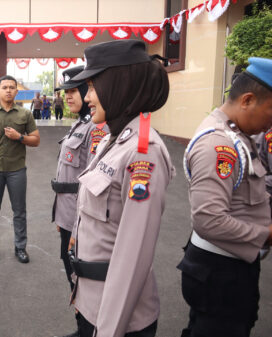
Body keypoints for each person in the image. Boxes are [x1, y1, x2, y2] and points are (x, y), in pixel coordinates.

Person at [69, 40, 174, 337]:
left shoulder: (143, 152)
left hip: (116, 318)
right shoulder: (112, 139)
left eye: (92, 86)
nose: (87, 96)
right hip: (92, 302)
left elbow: (132, 258)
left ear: (118, 84)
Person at [178, 57, 272, 337]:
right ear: (247, 100)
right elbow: (208, 219)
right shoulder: (218, 145)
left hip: (227, 268)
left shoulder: (237, 133)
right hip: (221, 273)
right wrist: (266, 234)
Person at [50, 66, 108, 337]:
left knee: (83, 279)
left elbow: (91, 184)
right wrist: (61, 219)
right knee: (73, 276)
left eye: (73, 91)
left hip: (80, 219)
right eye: (66, 92)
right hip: (67, 215)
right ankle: (82, 327)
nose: (68, 97)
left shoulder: (97, 127)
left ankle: (90, 329)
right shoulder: (80, 123)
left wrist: (75, 225)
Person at [0, 75, 40, 264]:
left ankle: (20, 248)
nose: (8, 90)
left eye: (12, 87)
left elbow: (36, 140)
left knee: (19, 211)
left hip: (17, 170)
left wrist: (19, 137)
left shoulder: (25, 114)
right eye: (4, 87)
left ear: (16, 91)